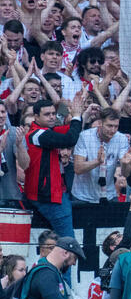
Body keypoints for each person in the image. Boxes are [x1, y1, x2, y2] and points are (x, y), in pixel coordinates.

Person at [24, 98, 83, 237]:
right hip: (49, 197)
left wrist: (79, 114)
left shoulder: (46, 131)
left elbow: (72, 130)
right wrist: (76, 116)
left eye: (53, 113)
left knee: (62, 242)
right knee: (68, 243)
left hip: (50, 193)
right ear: (36, 116)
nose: (51, 117)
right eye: (47, 114)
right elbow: (70, 139)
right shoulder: (37, 134)